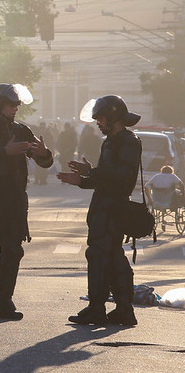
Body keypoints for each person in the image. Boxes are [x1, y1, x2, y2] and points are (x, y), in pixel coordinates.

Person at [0, 83, 53, 320]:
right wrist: (4, 152)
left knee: (13, 251)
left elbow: (44, 161)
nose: (16, 107)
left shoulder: (22, 130)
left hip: (15, 200)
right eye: (10, 104)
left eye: (17, 104)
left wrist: (44, 153)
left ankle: (4, 303)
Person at [58, 95, 141, 326]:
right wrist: (83, 179)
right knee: (111, 256)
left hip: (113, 208)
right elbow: (105, 178)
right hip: (103, 206)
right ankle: (122, 309)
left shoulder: (128, 141)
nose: (98, 123)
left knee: (100, 256)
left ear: (113, 117)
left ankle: (100, 308)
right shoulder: (110, 141)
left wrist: (91, 172)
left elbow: (121, 177)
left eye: (101, 118)